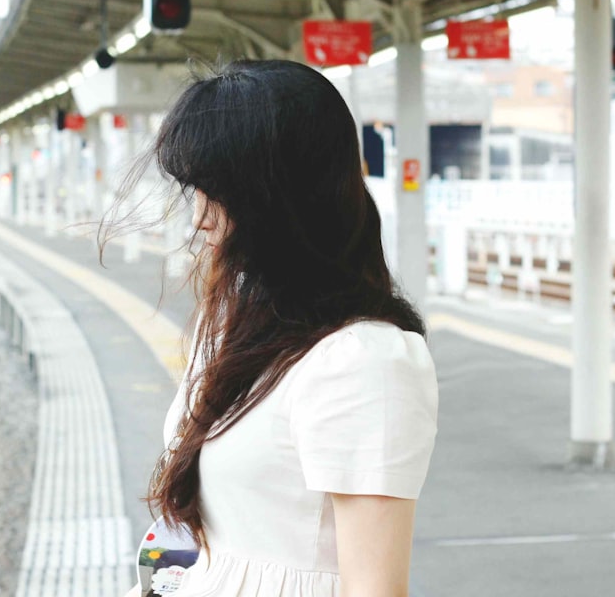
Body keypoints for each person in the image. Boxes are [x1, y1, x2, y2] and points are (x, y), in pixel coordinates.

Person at [112, 59, 438, 597]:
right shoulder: (234, 326)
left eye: (217, 192)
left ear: (280, 199)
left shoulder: (362, 360)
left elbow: (375, 589)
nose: (198, 218)